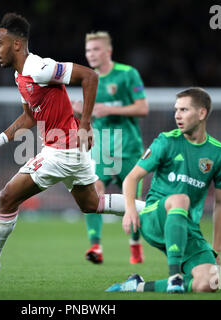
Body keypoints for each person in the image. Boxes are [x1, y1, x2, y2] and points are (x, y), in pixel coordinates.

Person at [0, 13, 145, 275]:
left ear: (16, 45)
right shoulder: (19, 76)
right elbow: (29, 116)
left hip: (63, 150)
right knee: (92, 204)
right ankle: (158, 210)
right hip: (65, 150)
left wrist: (85, 124)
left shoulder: (40, 68)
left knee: (7, 196)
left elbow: (90, 77)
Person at [106, 87, 221, 293]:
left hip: (187, 227)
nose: (177, 115)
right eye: (176, 110)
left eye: (184, 110)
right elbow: (131, 178)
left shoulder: (219, 153)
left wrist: (216, 249)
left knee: (211, 283)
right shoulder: (166, 141)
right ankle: (175, 277)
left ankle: (137, 286)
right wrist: (130, 210)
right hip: (155, 216)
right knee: (180, 199)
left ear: (202, 113)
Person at [72, 31, 148, 265]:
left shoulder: (127, 74)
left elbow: (142, 108)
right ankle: (95, 245)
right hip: (102, 148)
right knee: (93, 190)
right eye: (88, 50)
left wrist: (109, 109)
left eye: (95, 49)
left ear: (108, 52)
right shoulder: (89, 78)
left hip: (129, 148)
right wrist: (81, 109)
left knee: (132, 201)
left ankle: (135, 245)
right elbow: (90, 111)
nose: (91, 54)